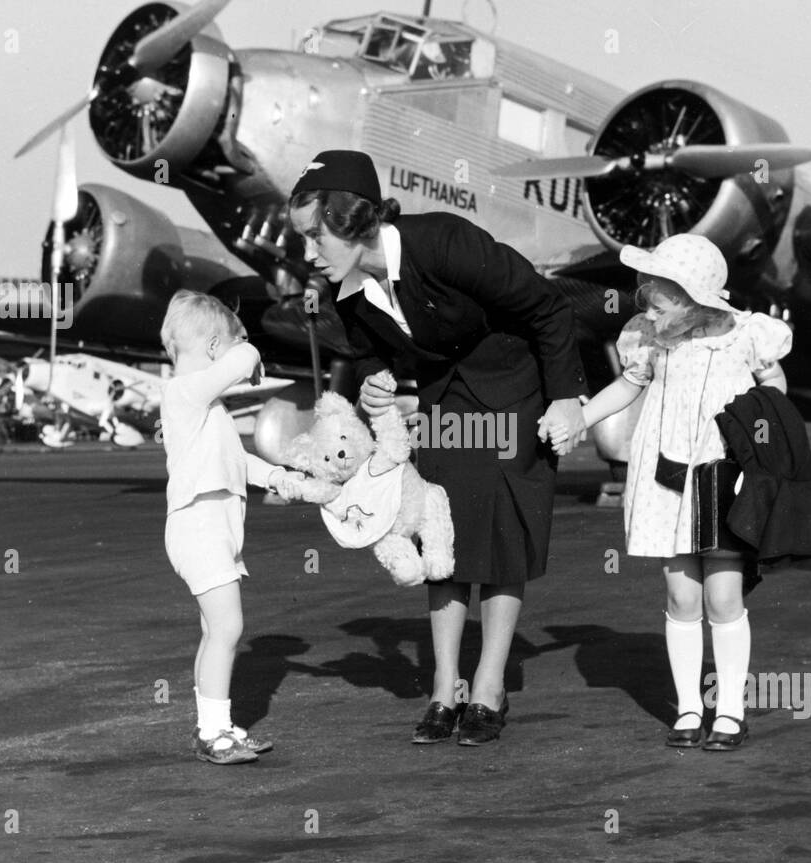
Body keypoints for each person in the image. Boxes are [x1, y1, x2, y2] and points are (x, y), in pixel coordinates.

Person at [286, 150, 587, 746]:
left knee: (501, 529)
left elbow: (548, 307)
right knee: (439, 526)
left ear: (352, 221)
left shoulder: (445, 242)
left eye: (314, 235)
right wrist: (376, 381)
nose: (307, 253)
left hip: (514, 389)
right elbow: (371, 352)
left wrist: (567, 398)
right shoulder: (347, 293)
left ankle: (489, 684)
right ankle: (444, 687)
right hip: (445, 400)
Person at [549, 235, 791, 751]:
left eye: (659, 297)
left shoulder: (745, 334)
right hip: (665, 476)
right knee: (682, 595)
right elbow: (628, 385)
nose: (647, 305)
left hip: (726, 475)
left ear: (692, 296)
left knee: (723, 597)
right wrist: (580, 418)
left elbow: (775, 388)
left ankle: (728, 713)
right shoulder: (648, 337)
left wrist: (768, 440)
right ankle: (687, 710)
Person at [160, 290, 305, 764]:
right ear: (212, 348)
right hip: (200, 526)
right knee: (229, 627)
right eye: (228, 346)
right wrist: (251, 352)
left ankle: (213, 728)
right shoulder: (184, 393)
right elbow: (243, 358)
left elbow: (237, 461)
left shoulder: (209, 408)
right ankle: (214, 733)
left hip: (215, 527)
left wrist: (280, 475)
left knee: (213, 632)